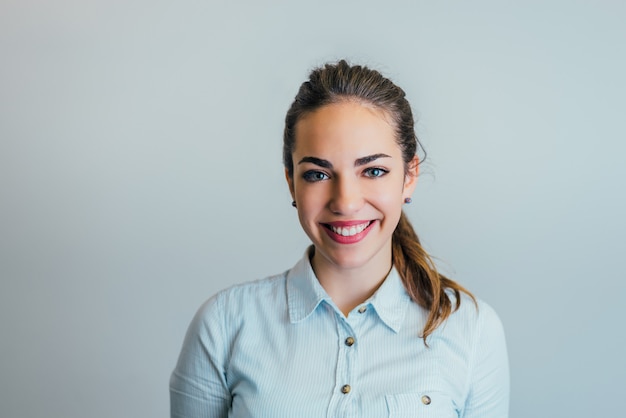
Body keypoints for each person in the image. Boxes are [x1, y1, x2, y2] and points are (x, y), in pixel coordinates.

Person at [170, 60, 509, 417]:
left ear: (409, 177)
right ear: (292, 183)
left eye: (373, 171)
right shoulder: (224, 324)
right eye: (317, 174)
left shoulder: (470, 328)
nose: (345, 202)